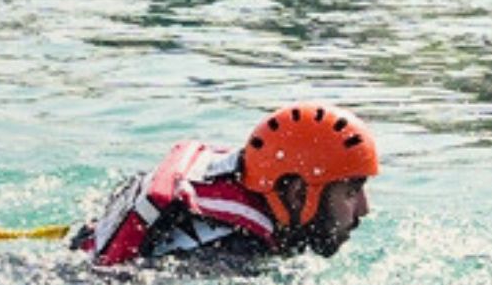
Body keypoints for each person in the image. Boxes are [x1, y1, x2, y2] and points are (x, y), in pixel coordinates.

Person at [68, 103, 378, 269]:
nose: (365, 209)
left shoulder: (240, 177)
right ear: (298, 194)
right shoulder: (234, 250)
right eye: (351, 192)